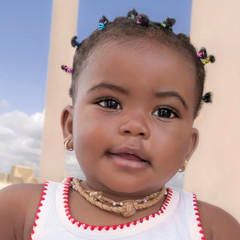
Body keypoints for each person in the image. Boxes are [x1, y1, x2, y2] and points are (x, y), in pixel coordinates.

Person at [0, 9, 239, 240]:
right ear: (70, 125)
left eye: (164, 112)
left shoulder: (212, 228)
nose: (135, 126)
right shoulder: (21, 211)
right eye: (110, 103)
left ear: (189, 145)